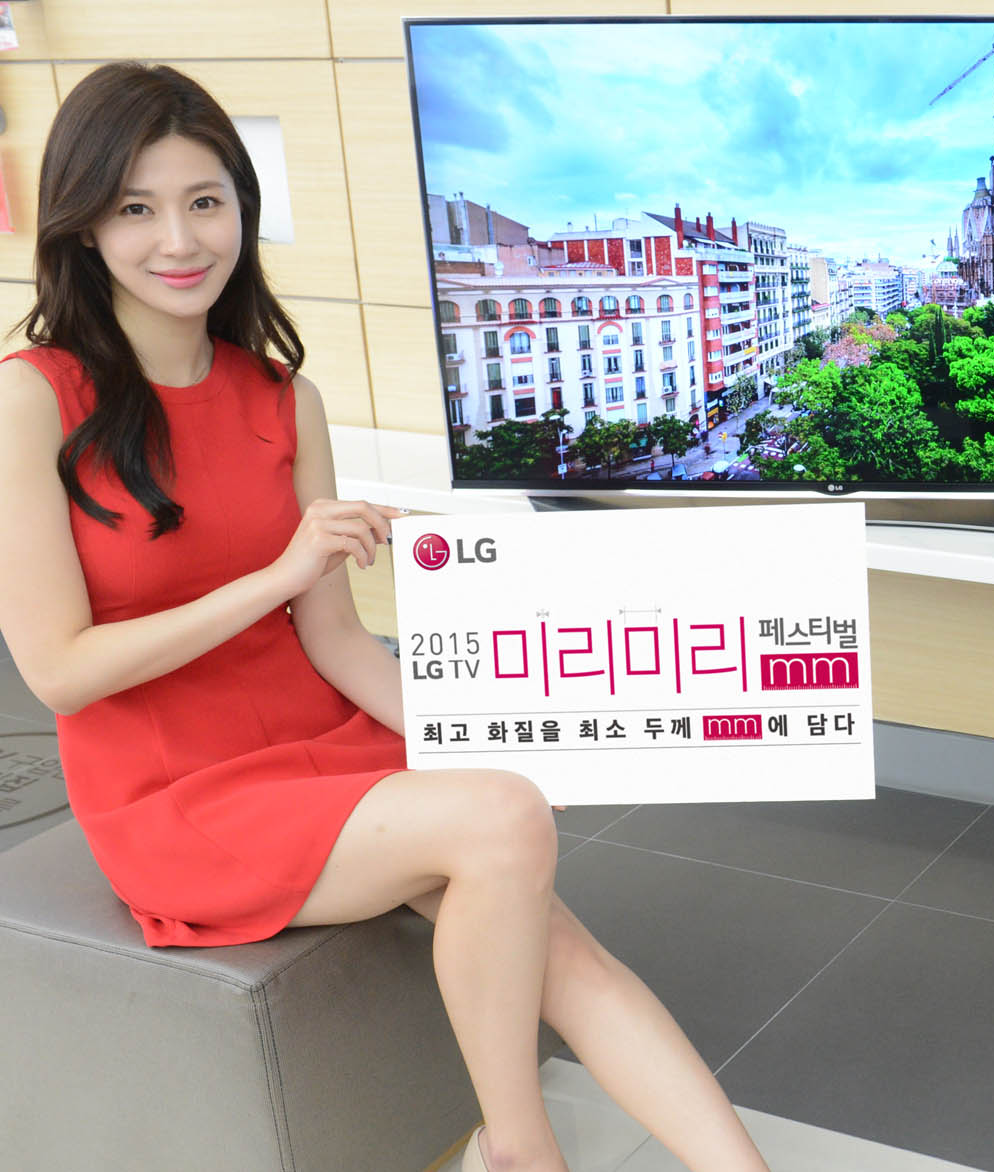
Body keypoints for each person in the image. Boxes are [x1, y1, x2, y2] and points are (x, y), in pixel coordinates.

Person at [0, 63, 769, 1172]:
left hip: (315, 741)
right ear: (84, 229)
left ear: (242, 212)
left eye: (205, 200)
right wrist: (274, 573)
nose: (180, 238)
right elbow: (60, 670)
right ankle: (520, 1146)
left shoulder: (280, 397)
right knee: (504, 823)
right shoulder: (33, 397)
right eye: (136, 207)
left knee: (555, 922)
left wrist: (487, 731)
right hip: (172, 793)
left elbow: (338, 640)